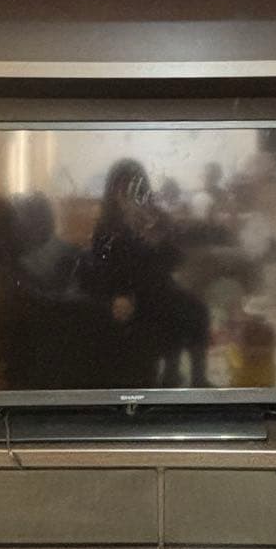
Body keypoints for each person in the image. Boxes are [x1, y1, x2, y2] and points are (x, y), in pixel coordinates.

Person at [87, 159, 210, 387]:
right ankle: (167, 376)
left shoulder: (156, 218)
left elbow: (176, 260)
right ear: (113, 192)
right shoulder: (106, 227)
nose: (127, 197)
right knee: (161, 318)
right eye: (122, 190)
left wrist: (154, 235)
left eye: (134, 189)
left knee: (196, 309)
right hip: (128, 296)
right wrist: (114, 297)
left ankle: (196, 379)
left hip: (160, 289)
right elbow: (100, 269)